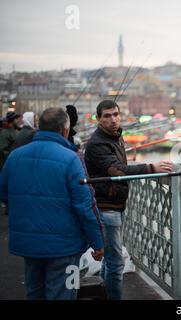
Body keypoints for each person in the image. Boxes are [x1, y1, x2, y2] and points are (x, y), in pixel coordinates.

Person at [0, 107, 104, 300]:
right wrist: (98, 243)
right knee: (66, 293)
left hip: (29, 245)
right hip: (66, 246)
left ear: (39, 127)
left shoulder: (15, 157)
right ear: (65, 130)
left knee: (34, 293)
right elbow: (86, 206)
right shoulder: (72, 159)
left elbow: (4, 193)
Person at [84, 99, 172, 300]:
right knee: (115, 264)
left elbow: (118, 165)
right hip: (107, 208)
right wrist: (151, 168)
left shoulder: (115, 137)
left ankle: (101, 296)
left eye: (116, 114)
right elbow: (117, 170)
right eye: (107, 116)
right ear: (98, 119)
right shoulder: (97, 143)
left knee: (109, 260)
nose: (113, 119)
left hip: (116, 205)